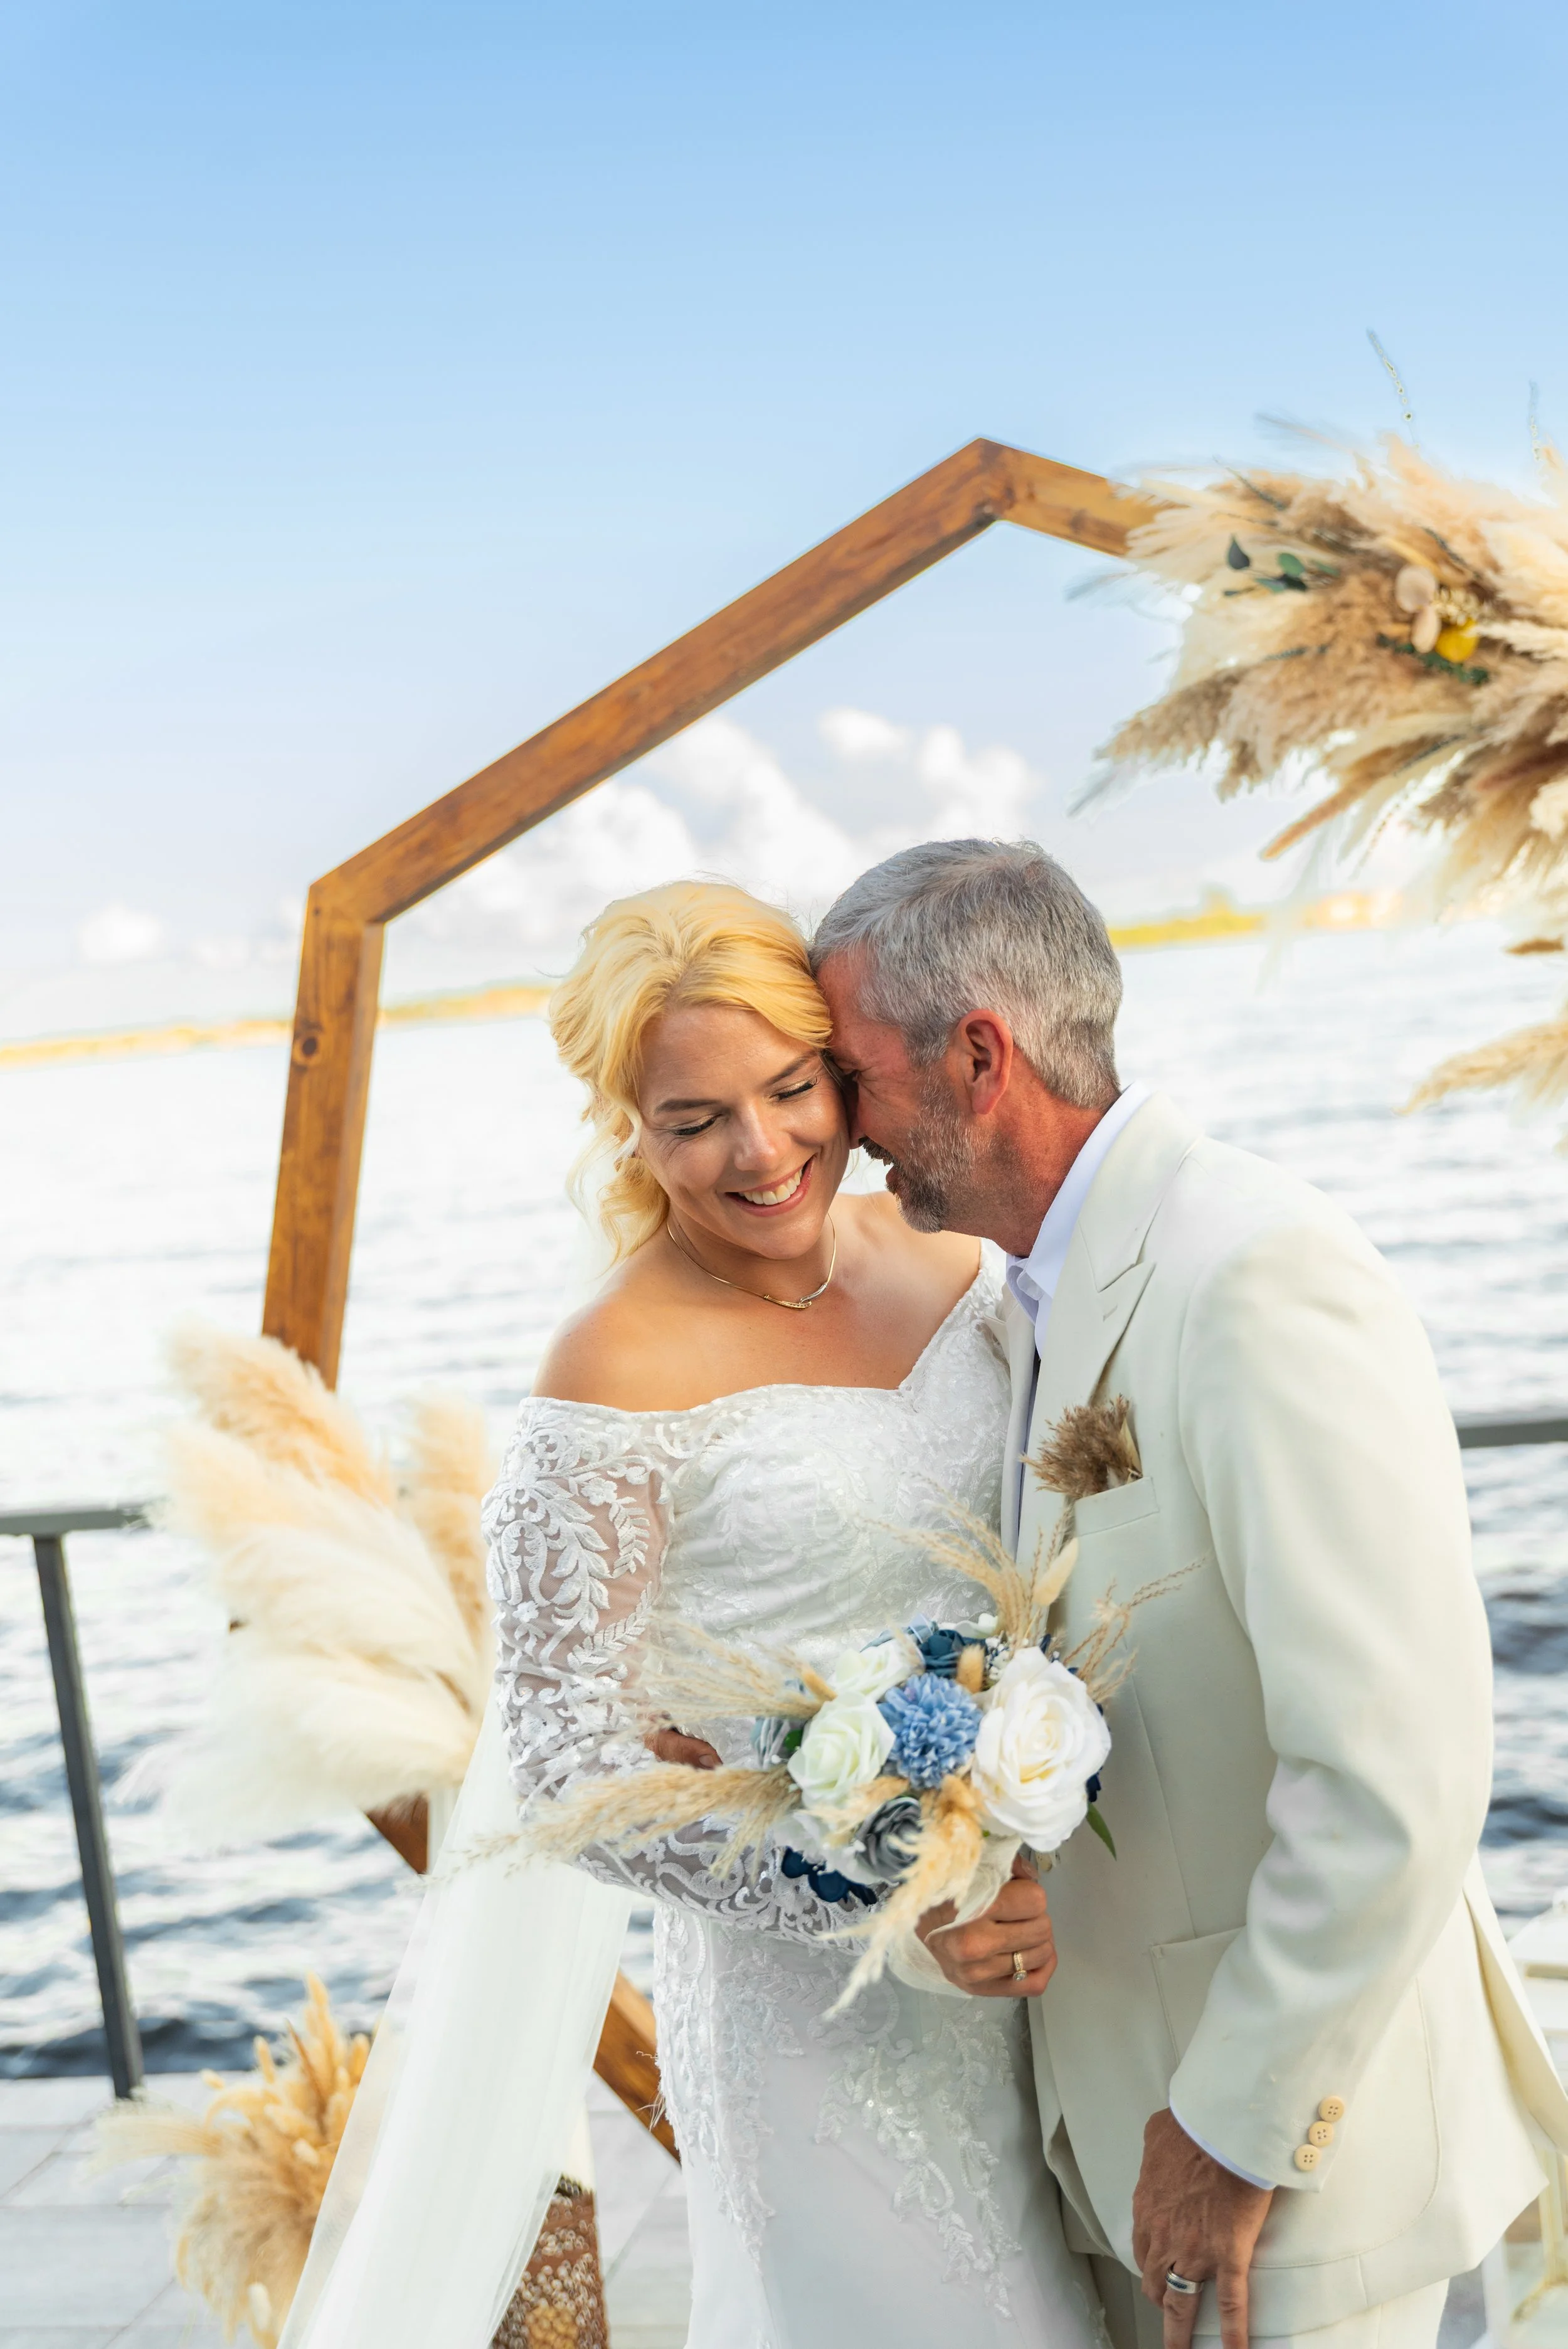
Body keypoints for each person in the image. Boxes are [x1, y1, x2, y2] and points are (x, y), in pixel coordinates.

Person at [812, 837, 1568, 2349]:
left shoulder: (1252, 1275)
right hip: (1118, 2140)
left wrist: (1230, 2130)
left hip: (1285, 2188)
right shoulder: (1032, 1293)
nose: (838, 1130)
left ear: (978, 1057)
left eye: (849, 1075)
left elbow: (1391, 1773)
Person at [482, 879, 1104, 2348]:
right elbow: (567, 1765)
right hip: (812, 2021)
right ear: (624, 1131)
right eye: (692, 1120)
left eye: (788, 1088)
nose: (761, 1153)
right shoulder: (609, 1366)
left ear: (842, 1068)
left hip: (1053, 1953)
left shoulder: (957, 1261)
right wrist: (891, 1882)